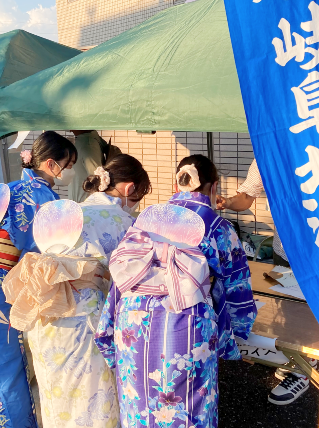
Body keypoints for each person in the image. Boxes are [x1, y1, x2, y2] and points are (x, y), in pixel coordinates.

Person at [95, 154, 257, 428]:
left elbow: (121, 280)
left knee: (139, 401)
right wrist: (239, 326)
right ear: (214, 187)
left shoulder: (146, 220)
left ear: (177, 183)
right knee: (188, 405)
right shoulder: (219, 228)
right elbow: (236, 287)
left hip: (132, 320)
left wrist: (107, 328)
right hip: (185, 320)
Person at [3, 154, 151, 428]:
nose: (136, 204)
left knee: (56, 397)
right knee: (92, 399)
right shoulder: (125, 224)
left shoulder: (70, 210)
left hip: (44, 311)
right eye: (138, 196)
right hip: (83, 319)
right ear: (129, 189)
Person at [0, 131, 77, 428]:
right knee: (5, 370)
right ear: (50, 163)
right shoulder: (42, 198)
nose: (70, 170)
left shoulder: (10, 187)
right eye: (68, 163)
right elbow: (49, 251)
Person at [216, 158, 313, 406]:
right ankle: (299, 359)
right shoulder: (265, 157)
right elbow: (246, 197)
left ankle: (305, 369)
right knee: (291, 308)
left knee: (315, 309)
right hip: (285, 248)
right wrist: (227, 202)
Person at [67, 130, 111, 203]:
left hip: (86, 207)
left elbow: (99, 181)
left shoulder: (87, 145)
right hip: (81, 206)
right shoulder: (84, 141)